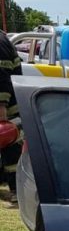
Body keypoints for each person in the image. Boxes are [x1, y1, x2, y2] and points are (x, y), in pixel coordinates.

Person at [0, 28, 23, 206]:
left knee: (10, 146)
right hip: (8, 104)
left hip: (7, 107)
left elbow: (2, 78)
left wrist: (1, 106)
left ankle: (17, 190)